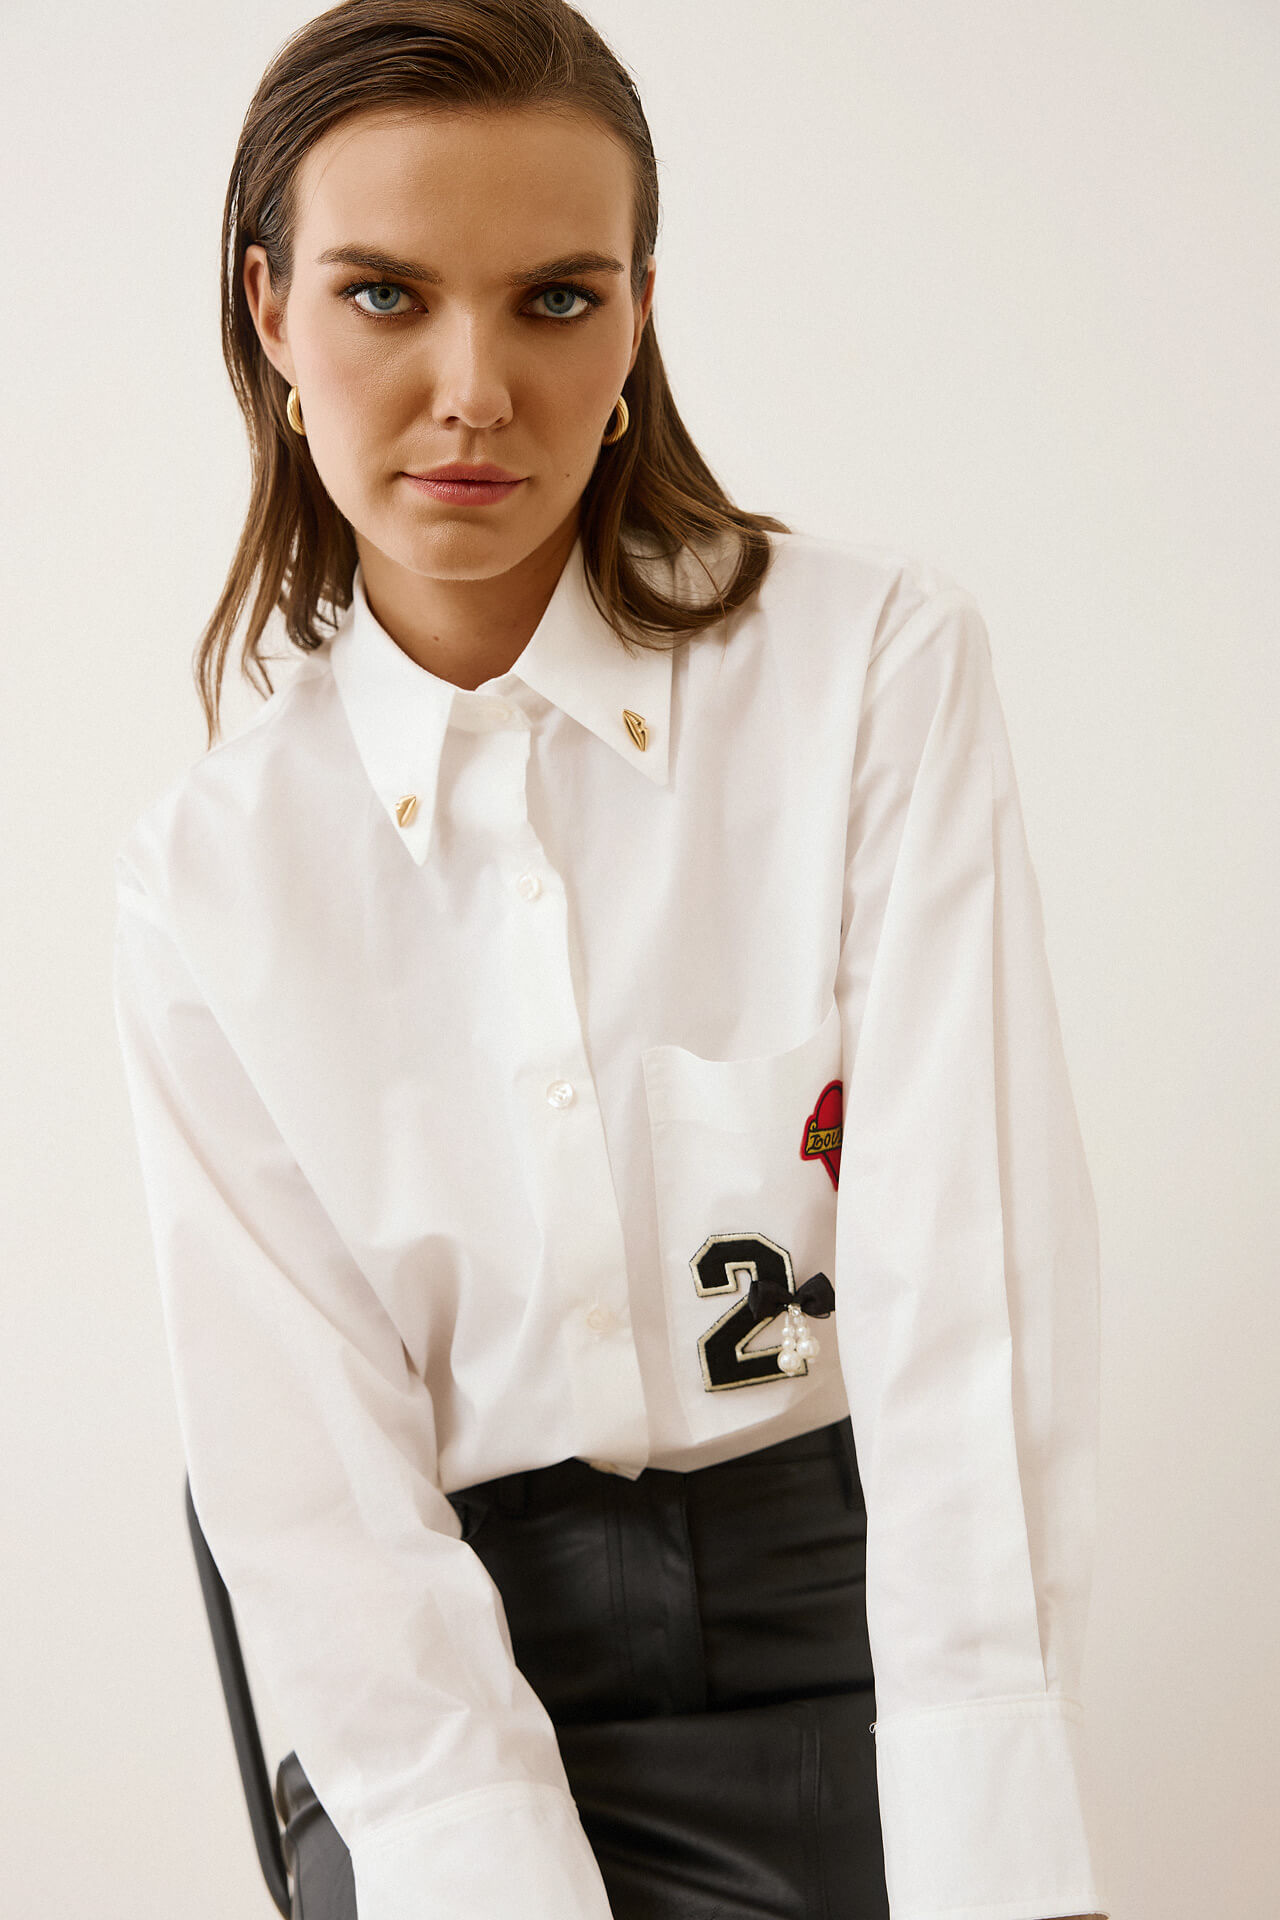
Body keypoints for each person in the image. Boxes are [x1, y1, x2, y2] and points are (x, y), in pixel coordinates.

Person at [110, 4, 1109, 1918]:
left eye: (556, 300)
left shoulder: (870, 673)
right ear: (270, 310)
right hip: (444, 1703)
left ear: (640, 315)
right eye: (385, 295)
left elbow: (965, 1302)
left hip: (853, 1651)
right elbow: (313, 1495)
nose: (475, 389)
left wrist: (993, 1854)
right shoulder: (208, 878)